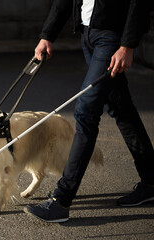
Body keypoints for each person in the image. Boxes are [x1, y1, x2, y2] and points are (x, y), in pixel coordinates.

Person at [24, 0, 154, 223]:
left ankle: (61, 201)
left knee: (85, 113)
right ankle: (152, 182)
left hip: (112, 38)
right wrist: (47, 35)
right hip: (88, 34)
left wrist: (128, 45)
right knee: (121, 109)